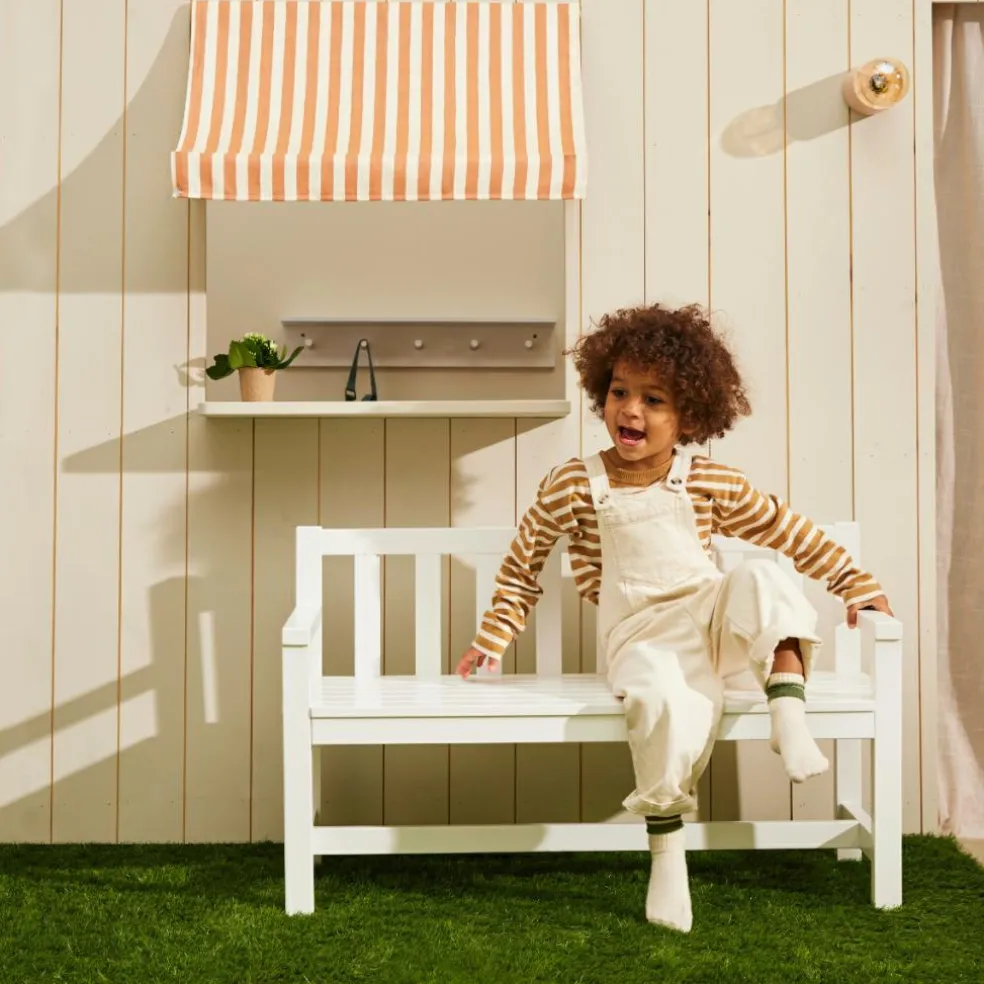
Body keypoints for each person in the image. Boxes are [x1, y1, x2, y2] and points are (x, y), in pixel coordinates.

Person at [454, 302, 893, 934]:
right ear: (601, 393)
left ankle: (787, 714)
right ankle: (666, 854)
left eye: (653, 399)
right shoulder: (573, 484)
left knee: (763, 577)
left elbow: (788, 531)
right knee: (660, 704)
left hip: (714, 621)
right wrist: (492, 639)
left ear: (689, 414)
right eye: (620, 392)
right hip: (643, 637)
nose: (630, 410)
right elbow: (524, 565)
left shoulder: (706, 480)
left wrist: (856, 583)